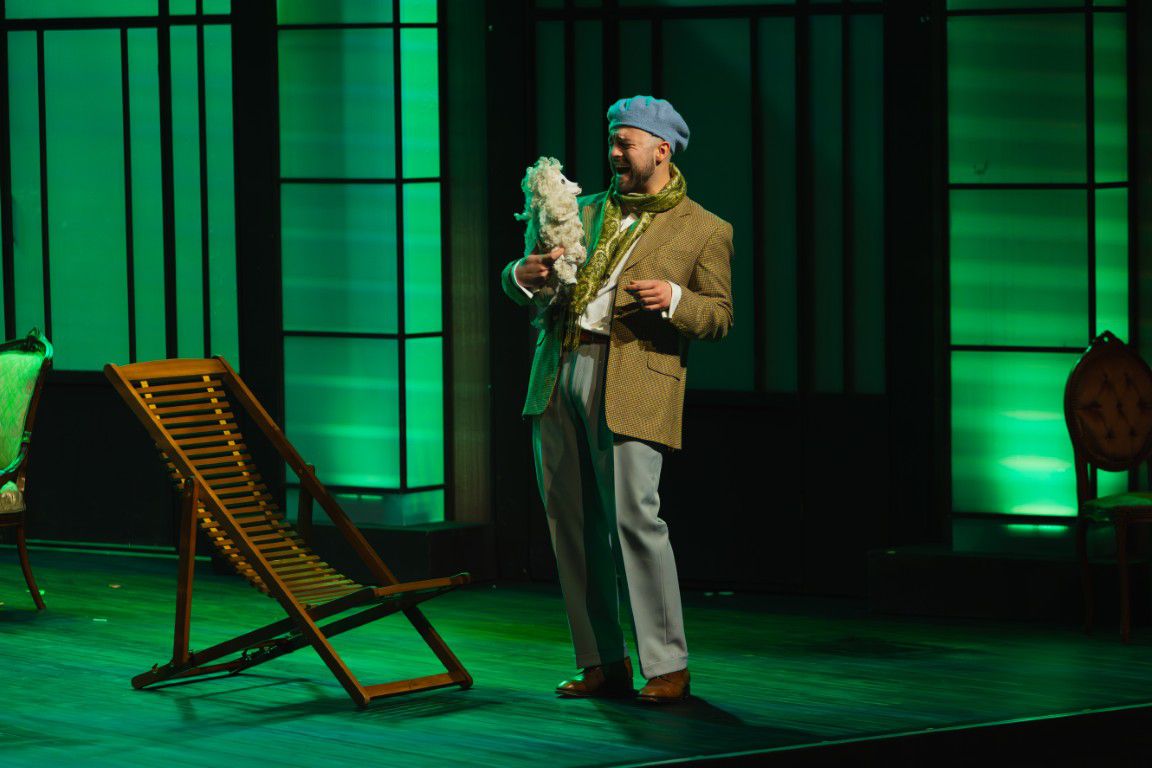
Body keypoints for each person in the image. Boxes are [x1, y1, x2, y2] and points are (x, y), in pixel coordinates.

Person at [501, 95, 733, 703]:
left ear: (662, 150)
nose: (613, 153)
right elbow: (524, 274)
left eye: (625, 143)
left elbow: (719, 316)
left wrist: (676, 299)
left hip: (634, 375)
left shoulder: (704, 228)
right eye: (612, 141)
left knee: (635, 519)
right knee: (570, 523)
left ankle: (668, 663)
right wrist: (520, 277)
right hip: (559, 367)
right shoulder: (582, 210)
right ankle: (601, 659)